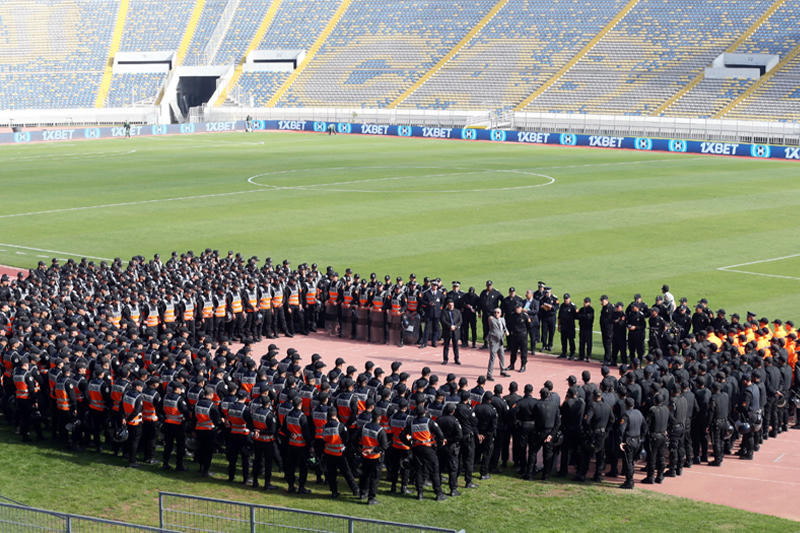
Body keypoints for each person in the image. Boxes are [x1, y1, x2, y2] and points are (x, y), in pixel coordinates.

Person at [402, 405, 447, 502]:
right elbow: (440, 434)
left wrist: (410, 444)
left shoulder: (412, 423)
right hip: (428, 449)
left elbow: (402, 435)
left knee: (418, 470)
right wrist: (438, 446)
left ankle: (420, 493)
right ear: (425, 412)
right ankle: (438, 493)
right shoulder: (429, 422)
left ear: (415, 413)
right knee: (434, 471)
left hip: (417, 449)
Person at [357, 410, 389, 504]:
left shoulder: (364, 427)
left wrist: (359, 448)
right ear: (380, 418)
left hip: (365, 456)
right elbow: (384, 446)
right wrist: (372, 450)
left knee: (364, 476)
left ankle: (363, 494)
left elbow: (354, 438)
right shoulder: (380, 430)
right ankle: (371, 498)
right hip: (375, 458)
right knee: (374, 479)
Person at [162, 381, 191, 472]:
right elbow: (186, 412)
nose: (182, 390)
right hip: (178, 425)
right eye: (181, 388)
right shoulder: (179, 399)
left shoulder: (165, 397)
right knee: (180, 446)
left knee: (168, 445)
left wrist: (164, 416)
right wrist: (185, 420)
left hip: (167, 424)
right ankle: (179, 465)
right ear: (177, 389)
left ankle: (165, 463)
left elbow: (159, 407)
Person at [617, 397, 644, 489]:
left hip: (629, 442)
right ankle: (629, 480)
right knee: (631, 462)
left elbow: (621, 429)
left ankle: (629, 482)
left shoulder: (626, 415)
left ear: (626, 405)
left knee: (628, 462)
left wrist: (621, 441)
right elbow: (645, 426)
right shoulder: (639, 413)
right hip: (637, 441)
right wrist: (641, 438)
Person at [486, 308, 510, 380]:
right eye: (495, 312)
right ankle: (489, 374)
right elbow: (489, 319)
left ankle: (502, 370)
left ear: (501, 314)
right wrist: (490, 318)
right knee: (492, 358)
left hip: (501, 341)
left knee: (502, 356)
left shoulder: (502, 319)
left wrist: (506, 331)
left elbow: (504, 327)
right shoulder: (492, 320)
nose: (496, 313)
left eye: (498, 312)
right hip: (494, 341)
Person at [419, 280, 443, 349]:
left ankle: (434, 341)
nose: (435, 287)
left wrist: (440, 309)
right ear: (431, 285)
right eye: (433, 285)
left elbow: (442, 301)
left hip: (437, 314)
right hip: (429, 314)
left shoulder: (439, 293)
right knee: (427, 328)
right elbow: (422, 302)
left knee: (436, 328)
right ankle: (424, 343)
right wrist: (428, 304)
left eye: (436, 286)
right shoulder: (426, 293)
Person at [478, 281, 503, 349]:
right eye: (488, 285)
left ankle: (495, 343)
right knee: (485, 329)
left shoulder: (496, 292)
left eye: (490, 285)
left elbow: (503, 300)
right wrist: (479, 312)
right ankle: (485, 343)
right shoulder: (483, 292)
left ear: (492, 285)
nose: (489, 286)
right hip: (485, 314)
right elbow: (480, 302)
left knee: (494, 329)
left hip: (493, 314)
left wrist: (499, 310)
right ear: (486, 285)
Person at [506, 302, 530, 372]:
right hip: (514, 335)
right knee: (513, 351)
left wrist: (525, 333)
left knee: (523, 351)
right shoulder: (513, 315)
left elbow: (530, 326)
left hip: (522, 335)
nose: (516, 309)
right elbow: (510, 324)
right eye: (516, 308)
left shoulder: (525, 316)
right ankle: (512, 364)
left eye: (518, 308)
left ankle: (523, 365)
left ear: (521, 308)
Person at [440, 299, 462, 365]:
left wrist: (455, 326)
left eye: (452, 305)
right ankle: (445, 359)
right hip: (448, 331)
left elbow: (460, 320)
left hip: (455, 331)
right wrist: (450, 326)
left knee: (456, 346)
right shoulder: (444, 312)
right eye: (449, 305)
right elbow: (443, 320)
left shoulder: (457, 311)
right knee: (446, 345)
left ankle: (456, 359)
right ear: (447, 305)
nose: (451, 306)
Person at [557, 293, 578, 360]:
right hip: (563, 326)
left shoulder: (572, 306)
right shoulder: (562, 306)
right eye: (565, 299)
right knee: (563, 340)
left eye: (567, 299)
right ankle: (564, 353)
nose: (566, 300)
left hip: (570, 327)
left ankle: (572, 353)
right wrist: (558, 325)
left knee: (571, 340)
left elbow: (577, 315)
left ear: (569, 299)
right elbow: (559, 316)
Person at [577, 297, 595, 362]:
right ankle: (581, 356)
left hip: (588, 329)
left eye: (586, 302)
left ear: (589, 303)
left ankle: (588, 356)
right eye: (584, 302)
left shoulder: (591, 310)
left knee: (588, 343)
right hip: (582, 328)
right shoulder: (581, 309)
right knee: (581, 343)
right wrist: (583, 316)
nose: (585, 303)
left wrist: (582, 316)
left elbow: (589, 317)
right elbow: (578, 316)